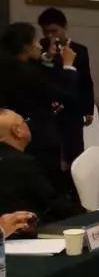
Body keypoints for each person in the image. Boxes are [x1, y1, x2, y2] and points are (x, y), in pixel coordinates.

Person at [0, 21, 79, 187]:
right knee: (46, 184)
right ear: (25, 46)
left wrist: (47, 59)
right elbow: (65, 95)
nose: (40, 45)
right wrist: (68, 66)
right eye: (35, 41)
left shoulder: (10, 68)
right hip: (38, 138)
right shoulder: (26, 73)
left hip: (14, 137)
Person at [0, 109, 82, 223]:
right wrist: (87, 214)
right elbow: (53, 203)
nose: (28, 125)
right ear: (17, 131)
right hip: (30, 227)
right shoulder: (24, 163)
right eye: (24, 121)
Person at [38, 8, 95, 165]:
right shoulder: (40, 48)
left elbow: (85, 80)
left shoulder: (80, 50)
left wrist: (88, 109)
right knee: (52, 154)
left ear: (64, 27)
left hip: (73, 107)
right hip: (49, 109)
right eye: (46, 32)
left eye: (54, 31)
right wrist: (48, 56)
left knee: (74, 150)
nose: (51, 36)